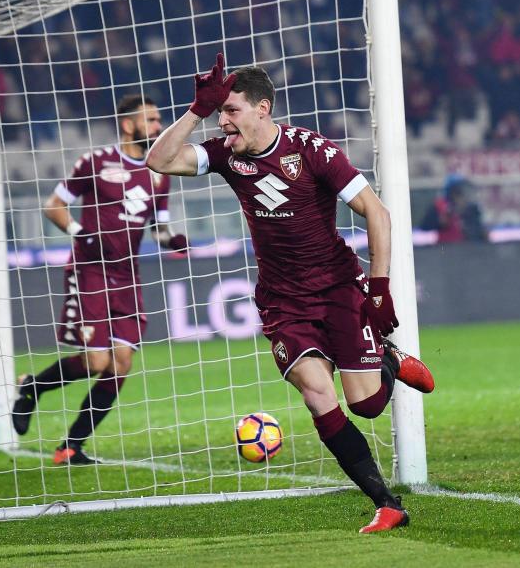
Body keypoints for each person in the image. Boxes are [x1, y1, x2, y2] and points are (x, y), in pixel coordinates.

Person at [145, 54, 435, 534]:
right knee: (317, 392)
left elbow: (377, 214)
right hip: (282, 301)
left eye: (231, 110)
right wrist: (197, 110)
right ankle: (388, 504)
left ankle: (388, 361)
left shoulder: (313, 150)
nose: (224, 120)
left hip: (339, 289)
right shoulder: (225, 155)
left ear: (263, 108)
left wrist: (378, 288)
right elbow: (157, 160)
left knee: (365, 404)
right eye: (220, 113)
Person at [11, 94, 189, 464]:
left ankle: (71, 446)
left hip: (127, 274)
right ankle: (33, 387)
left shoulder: (159, 172)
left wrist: (172, 240)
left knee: (121, 364)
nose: (158, 126)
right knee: (96, 362)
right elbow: (53, 205)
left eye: (159, 120)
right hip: (89, 269)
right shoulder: (95, 162)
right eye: (152, 120)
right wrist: (81, 232)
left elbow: (156, 226)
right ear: (129, 125)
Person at [420, 173, 487, 243]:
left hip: (467, 248)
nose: (463, 195)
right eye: (459, 192)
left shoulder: (472, 209)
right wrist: (439, 222)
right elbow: (424, 227)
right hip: (446, 248)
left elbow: (477, 229)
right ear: (451, 193)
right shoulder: (439, 207)